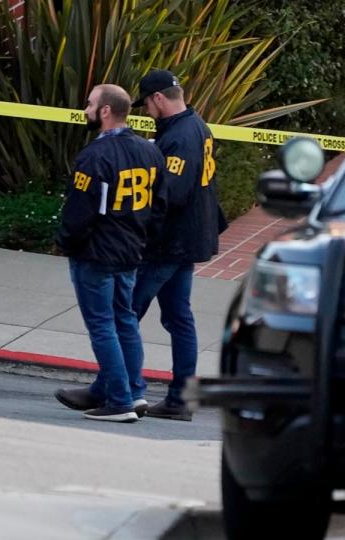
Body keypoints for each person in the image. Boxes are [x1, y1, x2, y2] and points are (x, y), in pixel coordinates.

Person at [53, 84, 167, 423]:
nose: (86, 109)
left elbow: (80, 213)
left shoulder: (94, 157)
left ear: (105, 111)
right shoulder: (150, 152)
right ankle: (134, 391)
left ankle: (120, 401)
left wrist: (67, 242)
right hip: (130, 251)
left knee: (103, 326)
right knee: (125, 322)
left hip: (97, 254)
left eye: (90, 104)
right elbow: (159, 206)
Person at [129, 69, 228, 421]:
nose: (146, 112)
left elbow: (169, 195)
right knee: (178, 317)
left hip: (169, 243)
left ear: (158, 98)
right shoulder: (197, 126)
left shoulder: (181, 137)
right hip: (188, 238)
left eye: (147, 105)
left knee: (126, 313)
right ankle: (180, 399)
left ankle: (120, 391)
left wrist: (136, 231)